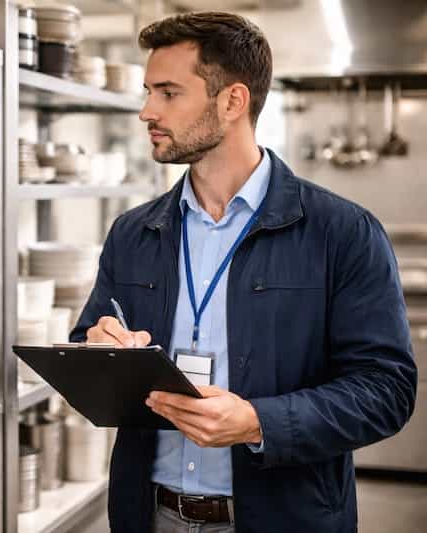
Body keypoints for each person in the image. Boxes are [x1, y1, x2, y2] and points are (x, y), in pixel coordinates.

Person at [69, 11, 417, 533]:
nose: (145, 111)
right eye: (147, 91)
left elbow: (385, 390)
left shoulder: (341, 232)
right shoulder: (133, 232)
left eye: (168, 93)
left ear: (233, 101)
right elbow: (86, 344)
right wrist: (99, 349)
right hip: (148, 514)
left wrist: (259, 422)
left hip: (284, 519)